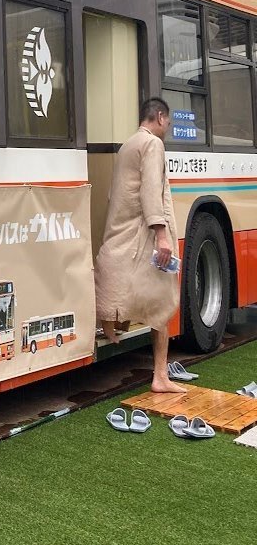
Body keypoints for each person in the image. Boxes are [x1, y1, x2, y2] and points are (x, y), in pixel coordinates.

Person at [94, 97, 187, 394]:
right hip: (144, 234)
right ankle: (160, 376)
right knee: (162, 301)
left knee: (122, 282)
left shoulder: (128, 145)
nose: (168, 128)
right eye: (168, 122)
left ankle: (110, 323)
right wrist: (162, 234)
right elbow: (151, 191)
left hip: (124, 232)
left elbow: (115, 194)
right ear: (159, 117)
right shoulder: (152, 144)